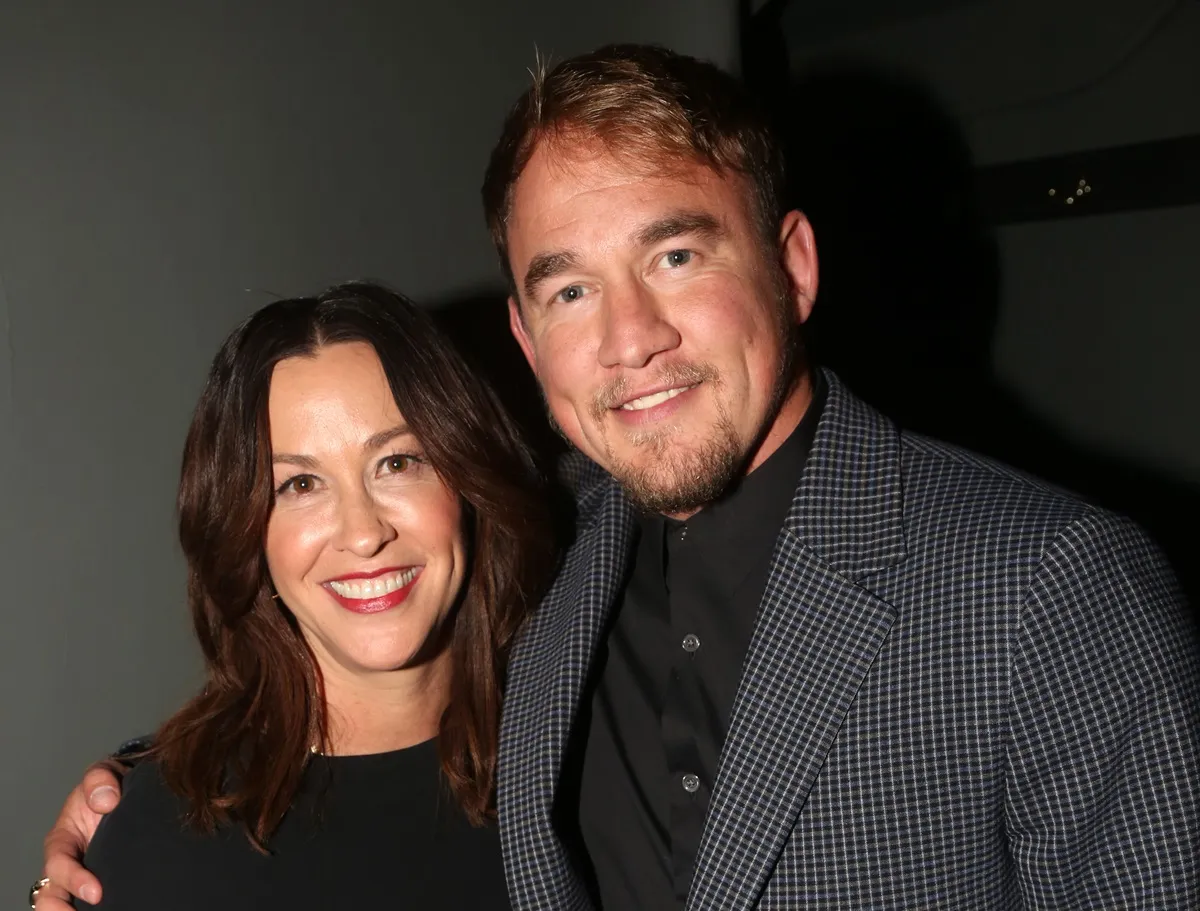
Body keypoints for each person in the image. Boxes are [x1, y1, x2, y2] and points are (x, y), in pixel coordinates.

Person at [39, 45, 1199, 910]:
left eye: (676, 254)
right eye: (571, 288)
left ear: (793, 266)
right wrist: (136, 797)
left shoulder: (1051, 586)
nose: (630, 336)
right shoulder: (558, 548)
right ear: (529, 337)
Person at [33, 281, 554, 909]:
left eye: (398, 462)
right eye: (301, 483)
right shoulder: (164, 832)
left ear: (469, 478)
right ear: (246, 531)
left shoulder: (586, 760)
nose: (364, 534)